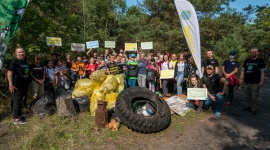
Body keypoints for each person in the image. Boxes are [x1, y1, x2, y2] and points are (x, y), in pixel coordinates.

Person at [7, 45, 29, 124]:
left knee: (20, 100)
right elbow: (9, 73)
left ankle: (19, 115)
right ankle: (16, 119)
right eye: (19, 52)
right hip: (16, 84)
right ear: (15, 53)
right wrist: (11, 85)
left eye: (22, 52)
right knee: (17, 101)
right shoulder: (14, 61)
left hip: (23, 84)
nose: (21, 53)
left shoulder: (24, 61)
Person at [240, 48, 266, 115]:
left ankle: (253, 109)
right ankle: (248, 106)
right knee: (247, 96)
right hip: (246, 81)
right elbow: (243, 70)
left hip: (255, 82)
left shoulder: (260, 61)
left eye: (254, 52)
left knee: (254, 96)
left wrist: (262, 81)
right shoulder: (246, 60)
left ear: (257, 53)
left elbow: (262, 72)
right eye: (251, 52)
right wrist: (240, 79)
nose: (252, 53)